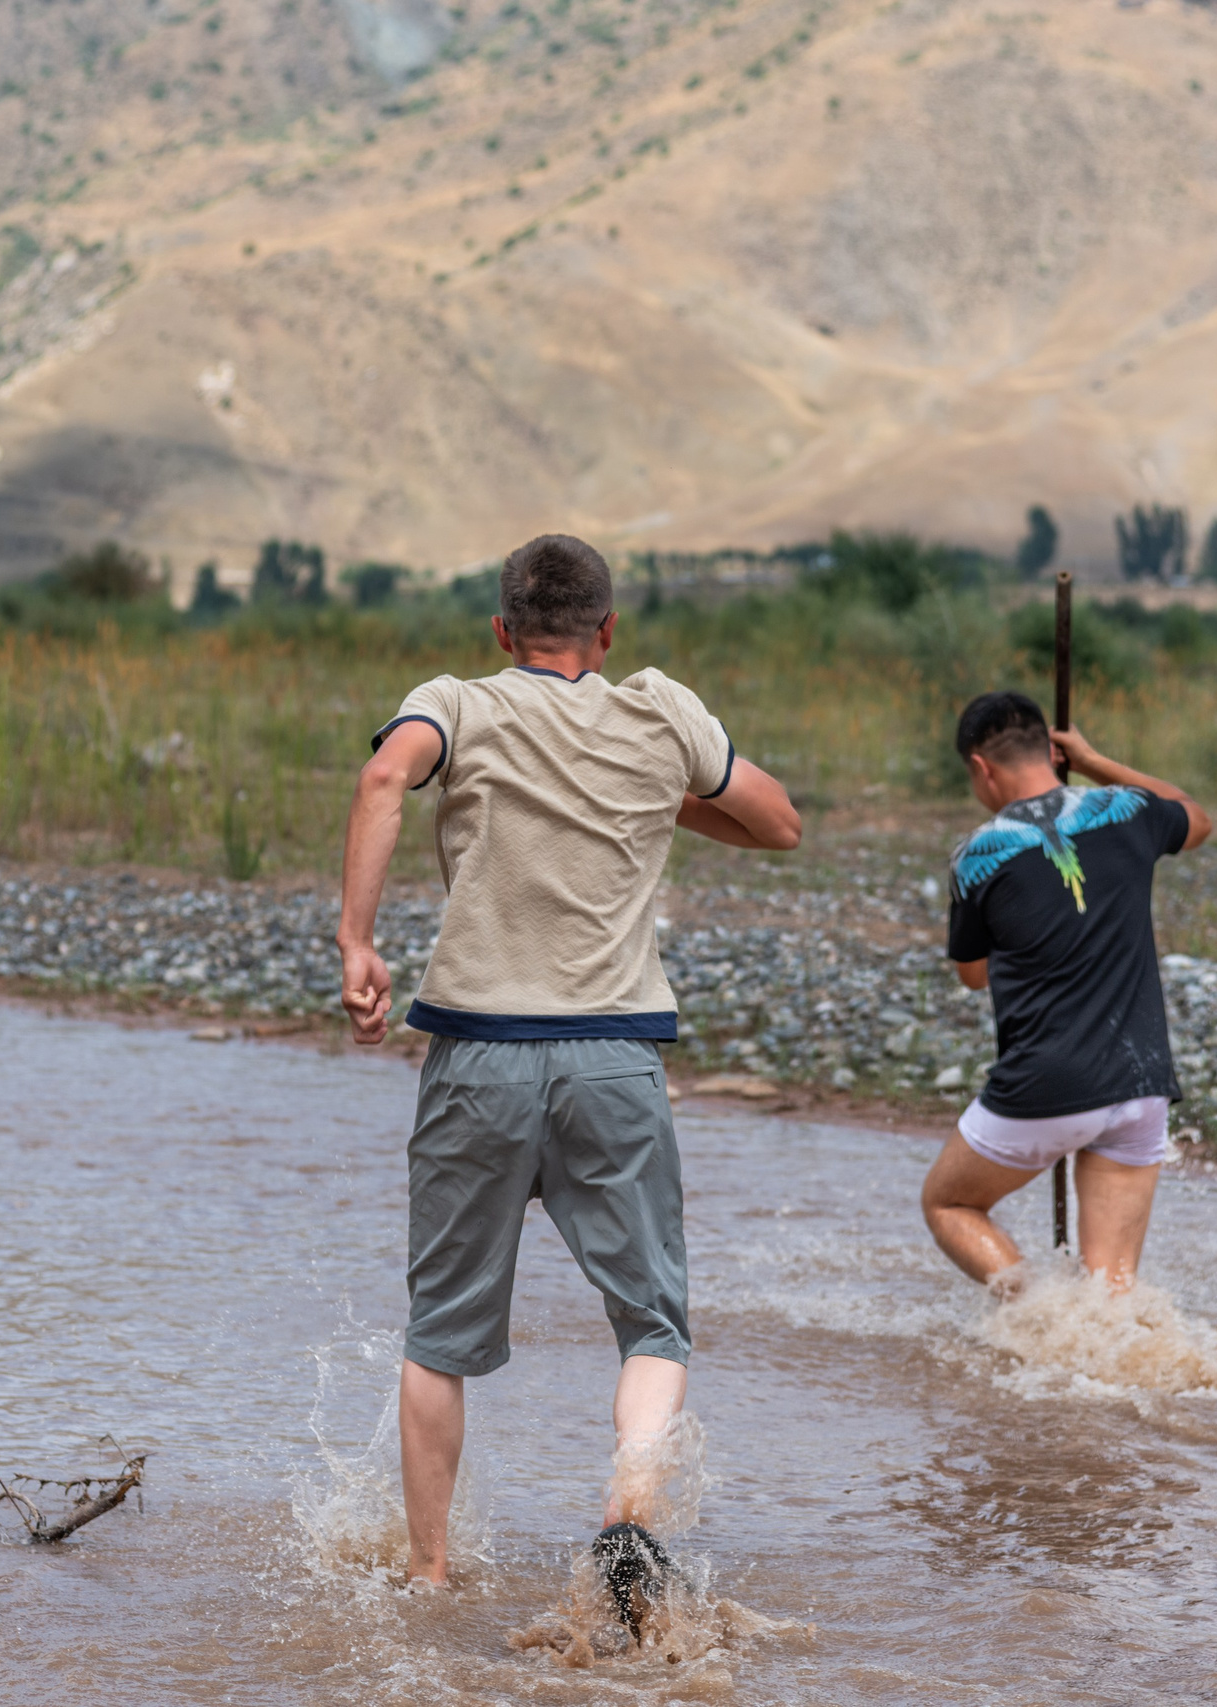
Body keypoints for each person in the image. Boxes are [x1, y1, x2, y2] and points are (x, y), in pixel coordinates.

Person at [335, 533, 800, 1630]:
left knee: (439, 1336)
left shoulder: (455, 703)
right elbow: (778, 823)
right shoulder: (660, 712)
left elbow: (384, 775)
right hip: (613, 1060)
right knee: (653, 1326)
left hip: (477, 1056)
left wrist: (357, 941)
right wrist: (652, 790)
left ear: (503, 631)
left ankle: (429, 1579)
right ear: (609, 630)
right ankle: (627, 1517)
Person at [920, 692, 1210, 1293]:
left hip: (1047, 1085)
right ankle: (1090, 1335)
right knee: (1111, 1291)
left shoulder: (976, 856)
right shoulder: (1128, 810)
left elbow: (973, 975)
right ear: (1055, 752)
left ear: (981, 767)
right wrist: (1096, 762)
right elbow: (1195, 818)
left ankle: (1039, 1317)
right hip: (1141, 1081)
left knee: (949, 1203)